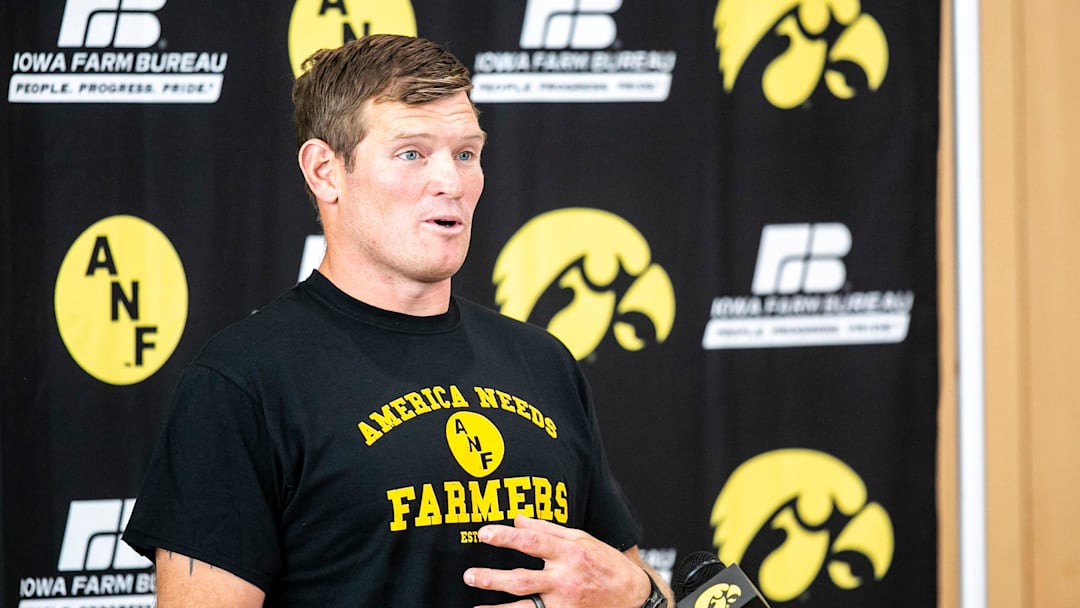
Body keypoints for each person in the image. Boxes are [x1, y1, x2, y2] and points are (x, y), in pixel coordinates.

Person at [123, 34, 672, 608]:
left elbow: (628, 582)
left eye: (466, 153)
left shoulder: (542, 361)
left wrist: (641, 594)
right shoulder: (243, 383)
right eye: (412, 153)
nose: (453, 183)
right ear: (325, 171)